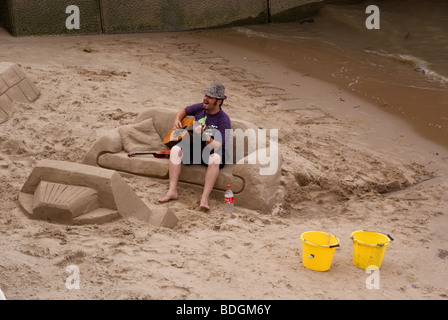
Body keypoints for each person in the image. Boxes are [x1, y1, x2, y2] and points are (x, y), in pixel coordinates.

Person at [158, 83, 231, 211]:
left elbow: (216, 146)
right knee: (175, 150)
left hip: (215, 150)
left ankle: (204, 198)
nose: (205, 98)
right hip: (197, 148)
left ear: (218, 101)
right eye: (205, 95)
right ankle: (172, 191)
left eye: (210, 97)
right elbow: (184, 110)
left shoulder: (224, 120)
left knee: (215, 158)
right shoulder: (200, 108)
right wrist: (177, 120)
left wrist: (204, 135)